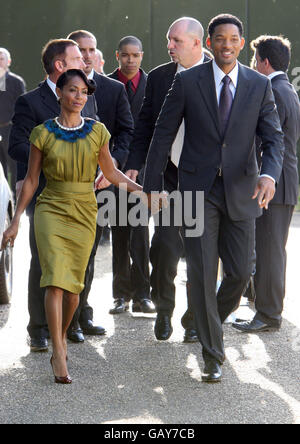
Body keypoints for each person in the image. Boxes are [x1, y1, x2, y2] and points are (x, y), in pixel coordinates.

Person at [142, 14, 285, 383]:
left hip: (241, 190)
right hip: (195, 191)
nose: (226, 44)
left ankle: (198, 317)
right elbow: (162, 133)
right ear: (209, 41)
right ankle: (212, 353)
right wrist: (153, 183)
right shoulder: (188, 81)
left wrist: (269, 174)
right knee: (203, 273)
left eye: (233, 39)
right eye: (219, 38)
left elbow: (273, 138)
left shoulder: (257, 84)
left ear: (241, 43)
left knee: (238, 274)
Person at [1, 69, 144, 384]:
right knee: (54, 282)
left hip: (84, 209)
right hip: (50, 207)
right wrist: (14, 223)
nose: (78, 97)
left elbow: (112, 172)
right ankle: (59, 350)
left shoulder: (97, 132)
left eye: (83, 92)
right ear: (59, 94)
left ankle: (61, 335)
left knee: (74, 291)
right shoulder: (42, 133)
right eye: (72, 91)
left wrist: (141, 192)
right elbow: (31, 181)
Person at [8, 39, 97, 353]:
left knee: (80, 263)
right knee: (44, 264)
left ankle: (70, 325)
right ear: (60, 65)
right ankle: (39, 329)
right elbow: (15, 145)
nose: (84, 61)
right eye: (77, 57)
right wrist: (50, 155)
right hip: (46, 194)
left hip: (83, 197)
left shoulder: (85, 92)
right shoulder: (30, 102)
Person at [125, 17, 211, 343]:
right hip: (169, 176)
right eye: (168, 39)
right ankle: (164, 307)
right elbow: (145, 126)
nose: (169, 46)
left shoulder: (219, 75)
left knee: (201, 252)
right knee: (164, 246)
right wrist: (137, 167)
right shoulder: (160, 77)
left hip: (206, 179)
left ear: (195, 42)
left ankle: (193, 319)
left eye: (175, 40)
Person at [66, 30, 134, 341]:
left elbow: (126, 132)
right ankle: (58, 321)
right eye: (82, 50)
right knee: (68, 254)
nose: (88, 54)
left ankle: (81, 316)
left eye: (92, 49)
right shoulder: (59, 90)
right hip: (65, 186)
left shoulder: (114, 88)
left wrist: (112, 166)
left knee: (89, 254)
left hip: (101, 185)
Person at [233, 35, 300, 333]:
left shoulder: (274, 89)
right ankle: (266, 307)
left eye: (254, 59)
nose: (252, 65)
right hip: (282, 182)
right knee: (270, 248)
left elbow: (269, 141)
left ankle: (269, 314)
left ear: (264, 62)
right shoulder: (286, 89)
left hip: (276, 183)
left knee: (271, 250)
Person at [108, 36, 154, 314]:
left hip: (143, 171)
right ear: (117, 56)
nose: (130, 60)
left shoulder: (152, 85)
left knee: (140, 231)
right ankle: (120, 295)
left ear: (141, 56)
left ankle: (142, 294)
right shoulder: (102, 85)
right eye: (125, 55)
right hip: (111, 169)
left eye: (135, 55)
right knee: (118, 233)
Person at [0, 48, 26, 193]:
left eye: (1, 58)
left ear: (8, 62)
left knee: (14, 167)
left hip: (10, 130)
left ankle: (17, 202)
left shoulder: (16, 81)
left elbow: (24, 108)